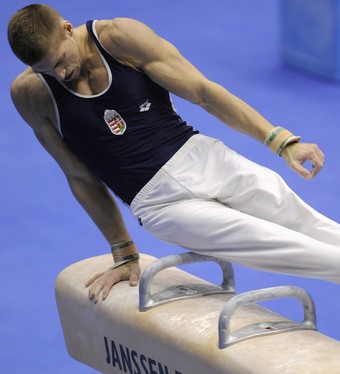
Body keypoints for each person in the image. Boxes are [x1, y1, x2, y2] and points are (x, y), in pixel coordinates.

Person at [8, 4, 340, 304]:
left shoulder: (119, 38)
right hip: (160, 205)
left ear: (68, 28)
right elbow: (79, 176)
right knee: (273, 242)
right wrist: (123, 251)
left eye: (61, 61)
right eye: (46, 71)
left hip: (202, 157)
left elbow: (205, 93)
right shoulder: (31, 96)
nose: (60, 74)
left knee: (302, 219)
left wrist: (280, 141)